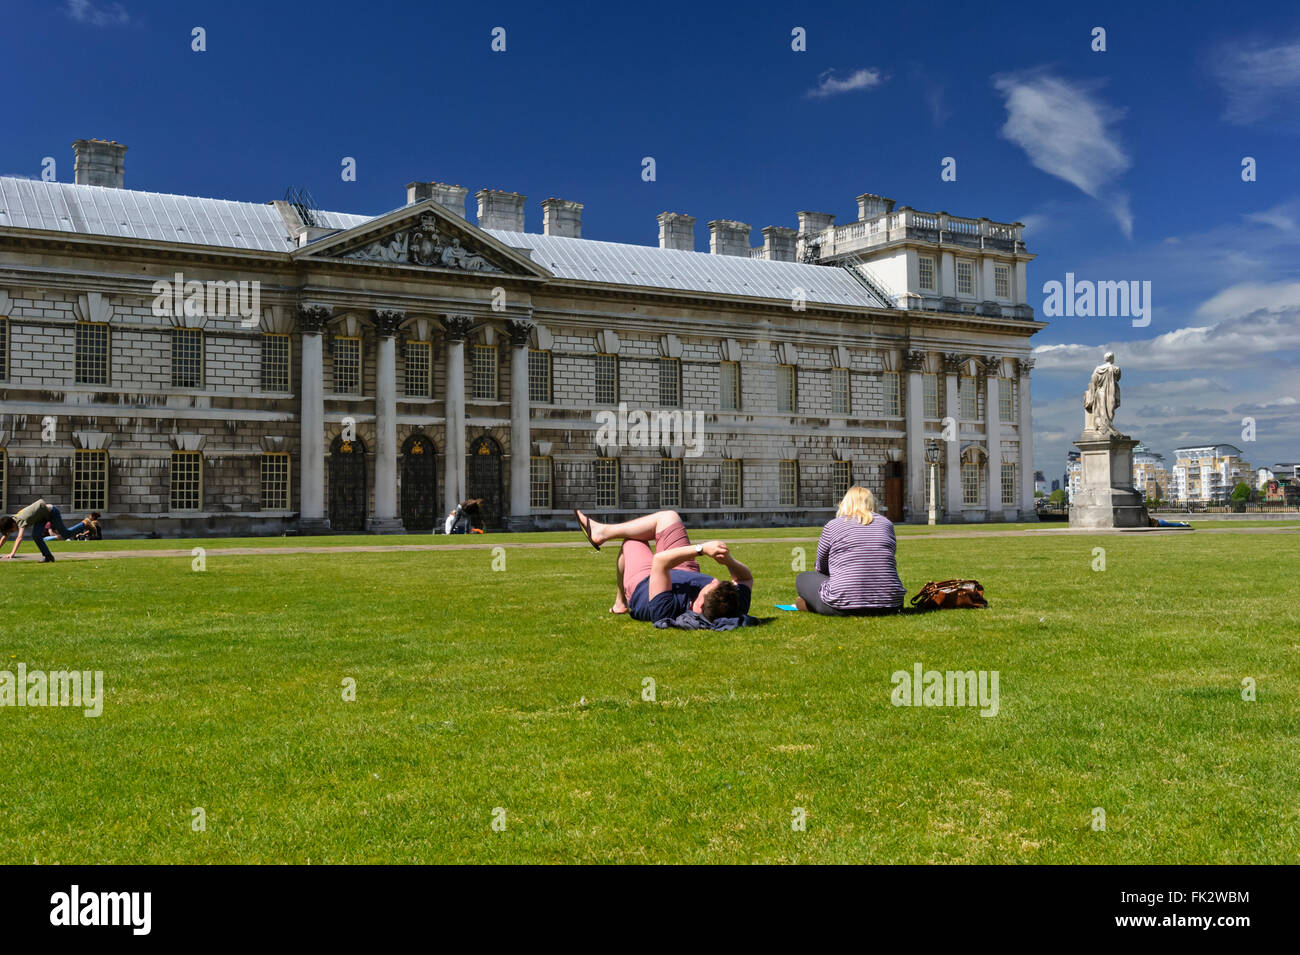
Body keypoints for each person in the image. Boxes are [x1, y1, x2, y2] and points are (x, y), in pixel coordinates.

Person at [574, 508, 753, 624]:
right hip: (684, 569)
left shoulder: (665, 610)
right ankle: (602, 532)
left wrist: (702, 549)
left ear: (699, 606)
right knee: (669, 517)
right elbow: (745, 578)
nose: (713, 580)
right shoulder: (733, 604)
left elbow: (660, 562)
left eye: (709, 587)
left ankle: (621, 601)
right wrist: (728, 560)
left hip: (645, 581)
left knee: (632, 540)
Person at [795, 485, 905, 615]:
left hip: (843, 604)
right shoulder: (886, 524)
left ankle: (807, 603)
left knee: (802, 578)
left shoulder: (833, 525)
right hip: (891, 603)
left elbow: (821, 566)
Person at [0, 499, 81, 562]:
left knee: (65, 534)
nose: (12, 532)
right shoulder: (12, 518)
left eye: (11, 530)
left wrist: (12, 553)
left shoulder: (20, 520)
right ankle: (48, 556)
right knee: (36, 535)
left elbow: (19, 538)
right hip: (42, 516)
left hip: (52, 512)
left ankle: (84, 524)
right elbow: (5, 536)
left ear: (13, 525)